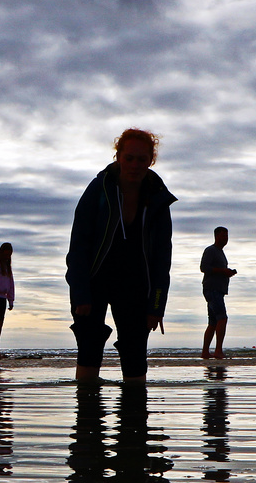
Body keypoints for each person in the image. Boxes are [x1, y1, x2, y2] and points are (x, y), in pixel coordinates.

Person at [65, 128, 175, 385]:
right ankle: (88, 418)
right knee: (89, 347)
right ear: (118, 157)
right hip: (93, 283)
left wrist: (157, 305)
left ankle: (135, 421)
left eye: (142, 159)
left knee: (135, 351)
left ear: (151, 160)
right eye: (129, 158)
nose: (135, 165)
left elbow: (162, 257)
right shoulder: (99, 189)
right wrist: (80, 293)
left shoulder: (158, 197)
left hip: (136, 284)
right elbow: (78, 245)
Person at [200, 227, 236, 359]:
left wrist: (228, 272)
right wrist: (223, 271)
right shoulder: (211, 250)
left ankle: (205, 352)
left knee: (213, 322)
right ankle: (218, 350)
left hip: (217, 290)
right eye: (223, 236)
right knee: (222, 318)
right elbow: (204, 267)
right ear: (216, 236)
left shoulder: (220, 252)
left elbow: (216, 269)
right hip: (212, 289)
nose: (225, 238)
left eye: (227, 236)